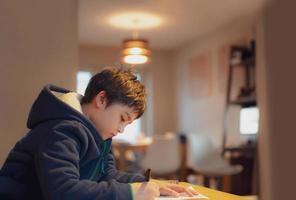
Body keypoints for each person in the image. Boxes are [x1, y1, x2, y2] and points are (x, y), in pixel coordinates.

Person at [0, 67, 197, 200]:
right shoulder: (60, 130)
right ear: (101, 100)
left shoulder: (100, 134)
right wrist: (131, 193)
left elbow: (107, 175)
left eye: (127, 125)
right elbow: (62, 191)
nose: (120, 130)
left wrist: (147, 184)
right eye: (122, 118)